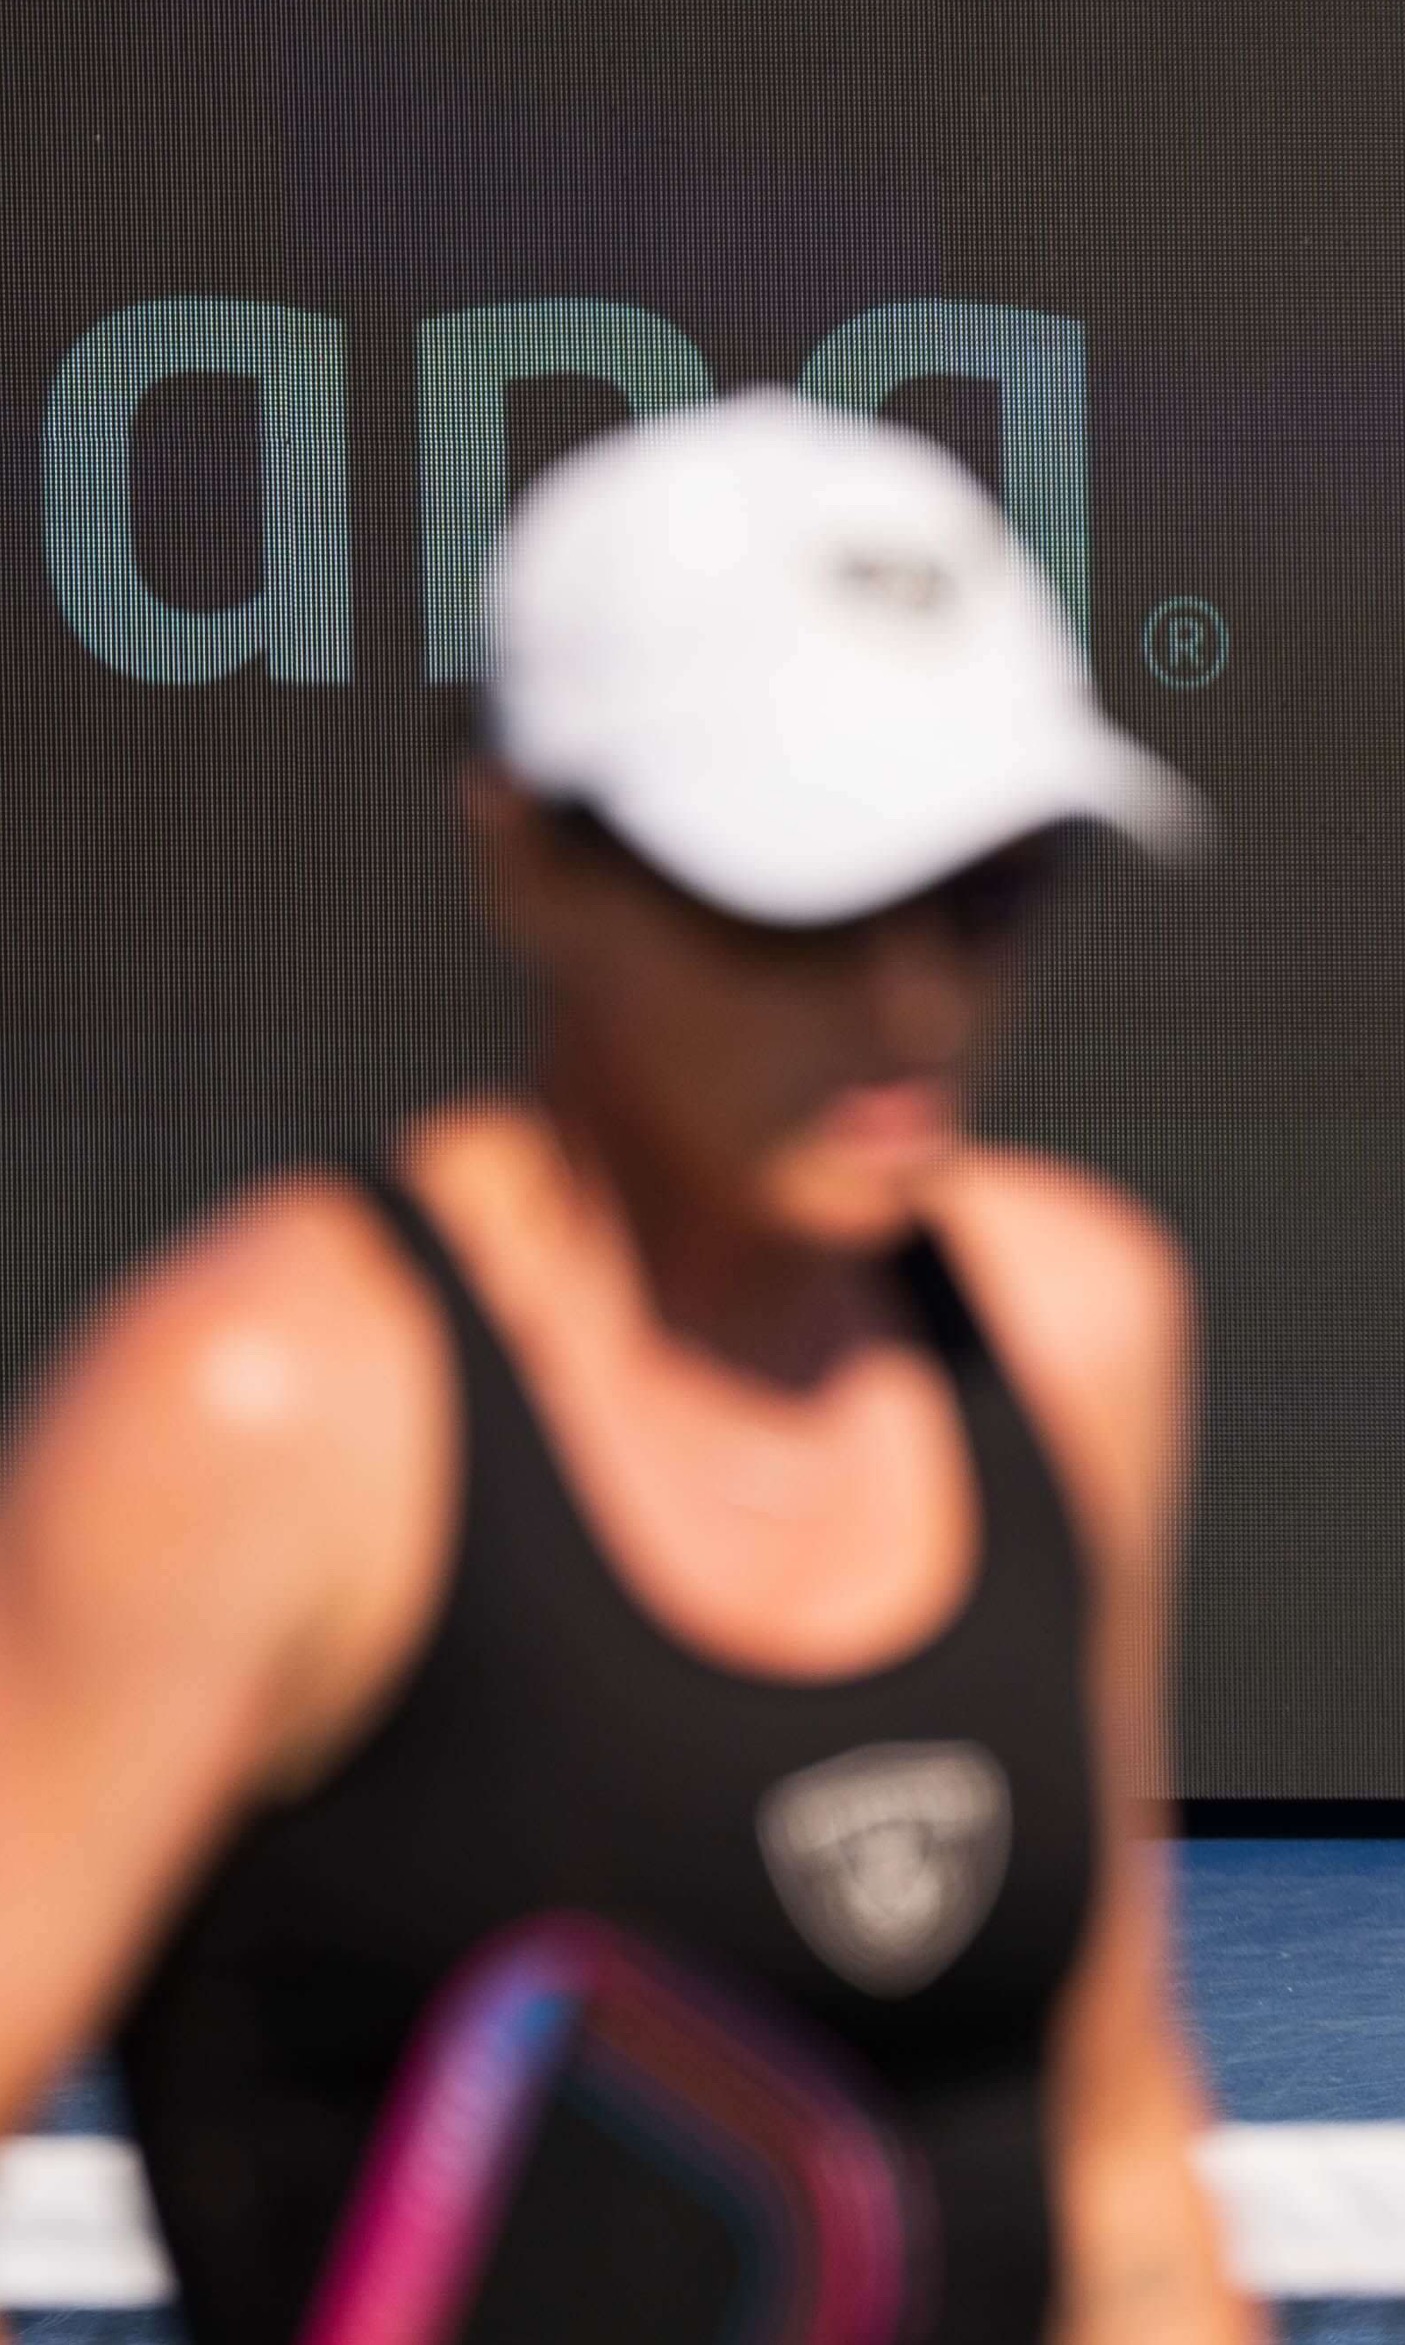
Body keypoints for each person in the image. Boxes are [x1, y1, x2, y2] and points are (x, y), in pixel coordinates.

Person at [0, 393, 1256, 2338]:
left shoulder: (1081, 1322)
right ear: (530, 861)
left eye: (989, 891)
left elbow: (1114, 2162)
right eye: (803, 895)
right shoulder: (265, 1410)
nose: (912, 998)